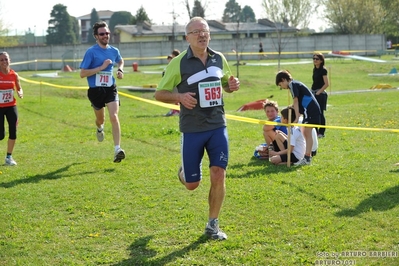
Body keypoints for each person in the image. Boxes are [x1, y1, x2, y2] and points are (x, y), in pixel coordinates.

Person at [154, 17, 240, 240]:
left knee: (218, 173)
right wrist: (179, 96)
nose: (202, 35)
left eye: (205, 31)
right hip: (192, 128)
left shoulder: (219, 59)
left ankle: (213, 225)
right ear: (187, 37)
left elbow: (225, 85)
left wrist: (230, 86)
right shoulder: (178, 63)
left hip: (217, 125)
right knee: (193, 185)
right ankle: (184, 173)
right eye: (196, 32)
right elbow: (160, 93)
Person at [79, 21, 125, 163]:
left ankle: (117, 149)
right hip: (95, 90)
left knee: (114, 116)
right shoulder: (91, 52)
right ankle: (100, 128)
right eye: (102, 34)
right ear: (96, 36)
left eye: (107, 33)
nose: (105, 36)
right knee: (101, 119)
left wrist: (120, 69)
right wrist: (101, 67)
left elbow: (120, 60)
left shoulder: (114, 50)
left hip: (110, 88)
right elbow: (82, 73)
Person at [275, 70, 321, 166]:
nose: (282, 87)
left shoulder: (292, 84)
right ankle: (307, 156)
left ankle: (307, 157)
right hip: (309, 110)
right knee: (306, 132)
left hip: (310, 110)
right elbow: (297, 102)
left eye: (280, 85)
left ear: (283, 80)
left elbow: (295, 100)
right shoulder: (296, 84)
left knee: (307, 132)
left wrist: (296, 117)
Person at [0, 52, 23, 166]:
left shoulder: (14, 75)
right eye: (1, 60)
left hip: (11, 106)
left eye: (6, 59)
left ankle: (9, 157)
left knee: (13, 130)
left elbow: (19, 87)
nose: (4, 62)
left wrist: (20, 92)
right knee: (0, 135)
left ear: (10, 60)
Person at [311, 53, 329, 138]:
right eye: (314, 58)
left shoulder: (323, 70)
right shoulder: (315, 69)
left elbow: (326, 84)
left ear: (321, 61)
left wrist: (319, 92)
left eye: (317, 59)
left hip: (320, 94)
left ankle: (321, 132)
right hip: (314, 92)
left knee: (320, 113)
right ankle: (315, 131)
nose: (315, 60)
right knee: (314, 113)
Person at [164, 49, 181, 116]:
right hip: (177, 82)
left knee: (175, 98)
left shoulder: (176, 62)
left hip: (175, 82)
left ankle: (176, 111)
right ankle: (174, 110)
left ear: (174, 55)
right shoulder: (180, 61)